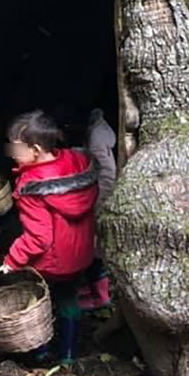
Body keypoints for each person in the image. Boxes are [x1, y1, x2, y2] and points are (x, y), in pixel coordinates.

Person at [2, 110, 98, 365]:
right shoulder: (77, 162)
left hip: (54, 261)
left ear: (34, 149)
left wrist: (11, 260)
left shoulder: (31, 186)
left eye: (15, 147)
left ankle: (40, 352)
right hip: (80, 253)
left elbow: (39, 238)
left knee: (39, 298)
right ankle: (68, 355)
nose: (11, 152)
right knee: (69, 298)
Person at [78, 108, 117, 311]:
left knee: (96, 248)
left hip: (102, 195)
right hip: (96, 190)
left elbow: (108, 171)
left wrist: (101, 200)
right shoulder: (97, 128)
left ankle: (101, 296)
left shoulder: (97, 137)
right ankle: (92, 286)